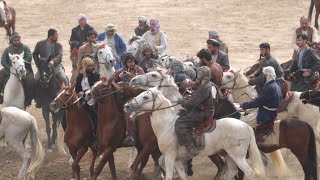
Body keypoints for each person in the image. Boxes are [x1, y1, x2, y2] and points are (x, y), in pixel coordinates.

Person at [175, 66, 215, 155]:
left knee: (180, 123)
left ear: (200, 75)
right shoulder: (210, 84)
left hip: (203, 113)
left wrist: (181, 101)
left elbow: (190, 105)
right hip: (209, 110)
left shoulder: (204, 87)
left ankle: (191, 147)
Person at [110, 52, 144, 146]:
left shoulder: (139, 69)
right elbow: (112, 79)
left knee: (128, 109)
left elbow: (143, 83)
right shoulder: (120, 71)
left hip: (138, 95)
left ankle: (130, 135)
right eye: (129, 62)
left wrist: (130, 81)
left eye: (133, 61)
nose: (132, 63)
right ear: (125, 63)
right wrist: (117, 86)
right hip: (124, 96)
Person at [240, 66, 282, 141]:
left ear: (267, 76)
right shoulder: (276, 85)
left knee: (243, 123)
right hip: (271, 112)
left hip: (265, 114)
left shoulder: (268, 87)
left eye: (264, 75)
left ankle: (248, 143)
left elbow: (258, 102)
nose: (262, 77)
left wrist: (243, 105)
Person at [33, 29, 69, 107]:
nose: (57, 36)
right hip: (43, 67)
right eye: (56, 35)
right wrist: (39, 64)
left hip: (56, 66)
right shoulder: (40, 44)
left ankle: (67, 96)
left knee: (64, 79)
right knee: (35, 80)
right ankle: (38, 99)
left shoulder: (58, 45)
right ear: (51, 36)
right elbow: (35, 54)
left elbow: (59, 55)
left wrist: (53, 61)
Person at [0, 33, 35, 107]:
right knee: (0, 76)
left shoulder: (25, 47)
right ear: (12, 41)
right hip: (11, 68)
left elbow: (29, 57)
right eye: (15, 40)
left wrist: (20, 63)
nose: (17, 42)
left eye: (18, 40)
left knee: (31, 81)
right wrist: (9, 67)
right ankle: (1, 95)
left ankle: (28, 99)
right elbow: (3, 60)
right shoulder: (8, 49)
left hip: (23, 68)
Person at [75, 57, 100, 133]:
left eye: (91, 65)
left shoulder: (95, 75)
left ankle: (95, 129)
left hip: (92, 97)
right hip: (82, 98)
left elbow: (95, 87)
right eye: (88, 66)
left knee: (92, 110)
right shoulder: (80, 77)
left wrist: (85, 91)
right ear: (84, 66)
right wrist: (80, 93)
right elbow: (77, 89)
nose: (90, 68)